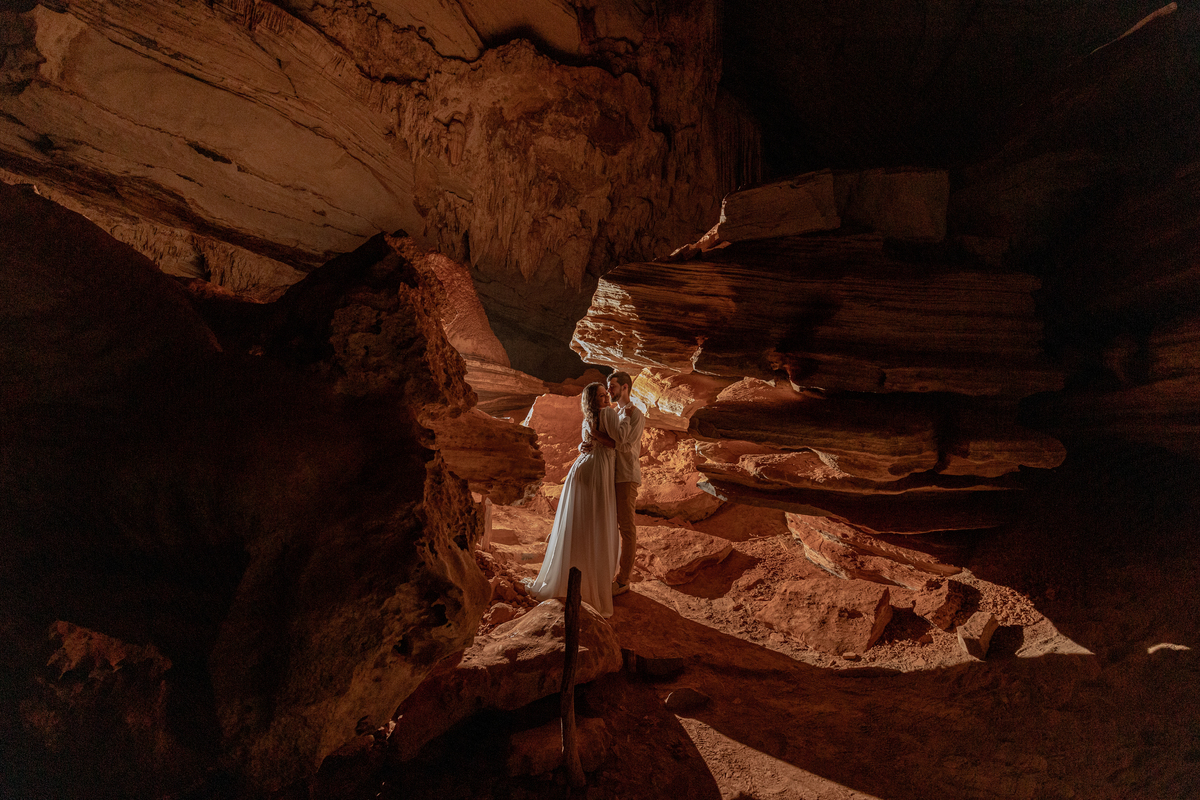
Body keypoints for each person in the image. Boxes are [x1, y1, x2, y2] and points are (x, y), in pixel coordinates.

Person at [527, 382, 621, 617]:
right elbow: (614, 444)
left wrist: (591, 438)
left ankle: (587, 577)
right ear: (592, 400)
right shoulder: (600, 417)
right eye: (600, 396)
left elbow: (607, 443)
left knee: (588, 523)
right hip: (591, 472)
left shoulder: (600, 416)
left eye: (605, 394)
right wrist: (592, 438)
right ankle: (584, 582)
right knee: (587, 524)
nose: (605, 399)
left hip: (592, 470)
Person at [607, 371, 645, 597]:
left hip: (626, 476)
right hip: (613, 476)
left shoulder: (636, 414)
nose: (610, 390)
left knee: (627, 529)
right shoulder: (617, 412)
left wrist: (603, 439)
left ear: (625, 387)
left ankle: (623, 580)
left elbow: (625, 445)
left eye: (612, 386)